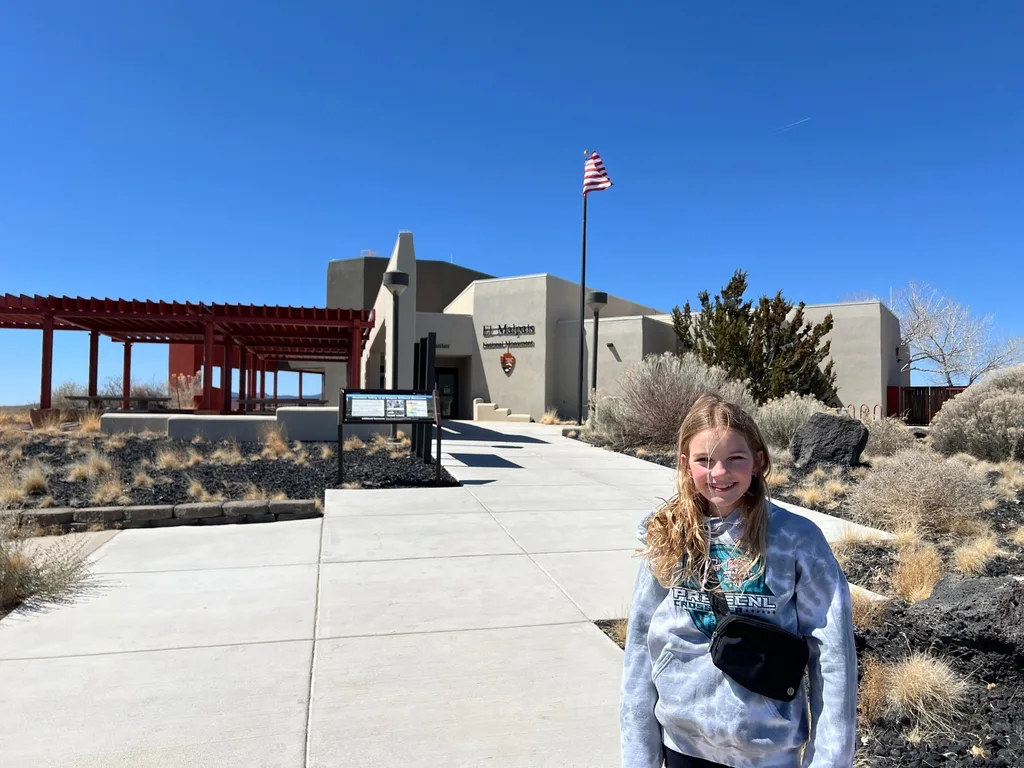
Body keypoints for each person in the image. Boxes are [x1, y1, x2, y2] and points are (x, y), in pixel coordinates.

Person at [620, 393, 857, 768]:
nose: (719, 473)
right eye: (704, 460)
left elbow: (833, 655)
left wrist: (830, 758)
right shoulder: (668, 535)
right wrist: (639, 756)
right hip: (683, 744)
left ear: (758, 461)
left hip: (767, 749)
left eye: (735, 458)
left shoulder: (797, 541)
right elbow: (641, 642)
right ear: (684, 465)